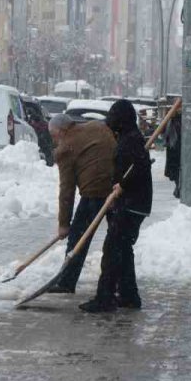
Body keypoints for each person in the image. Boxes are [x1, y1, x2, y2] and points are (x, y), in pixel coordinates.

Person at [81, 99, 153, 313]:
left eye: (113, 117)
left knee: (112, 250)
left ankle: (105, 298)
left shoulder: (131, 141)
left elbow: (137, 168)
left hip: (131, 205)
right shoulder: (128, 137)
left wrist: (122, 184)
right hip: (132, 203)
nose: (109, 122)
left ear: (121, 119)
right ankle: (129, 296)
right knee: (122, 250)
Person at [47, 113, 116, 293]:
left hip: (94, 193)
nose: (54, 141)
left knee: (78, 238)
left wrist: (63, 224)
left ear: (62, 131)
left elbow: (67, 191)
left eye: (53, 136)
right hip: (117, 189)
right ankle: (121, 284)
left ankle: (66, 282)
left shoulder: (65, 149)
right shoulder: (97, 126)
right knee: (117, 240)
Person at [164, 110, 182, 198]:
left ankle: (179, 189)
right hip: (172, 151)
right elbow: (165, 133)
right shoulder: (169, 121)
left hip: (178, 151)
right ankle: (177, 187)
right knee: (175, 172)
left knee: (178, 171)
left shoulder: (180, 121)